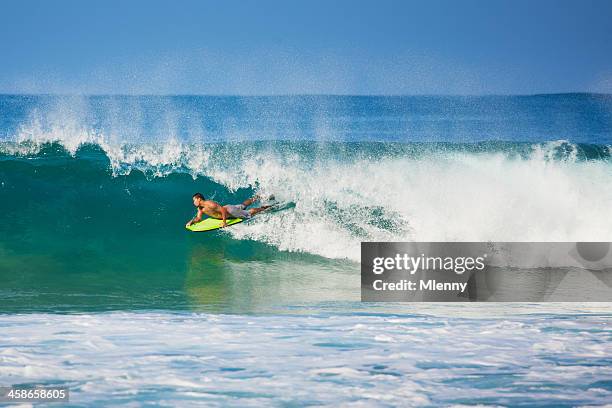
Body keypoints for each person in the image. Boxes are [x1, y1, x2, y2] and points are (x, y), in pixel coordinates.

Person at [186, 193, 272, 228]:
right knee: (242, 205)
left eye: (194, 200)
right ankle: (257, 197)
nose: (193, 202)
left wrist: (224, 222)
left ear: (199, 199)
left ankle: (266, 208)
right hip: (230, 208)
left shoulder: (209, 204)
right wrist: (192, 221)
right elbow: (198, 218)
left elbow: (222, 209)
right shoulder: (200, 208)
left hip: (230, 211)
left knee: (248, 213)